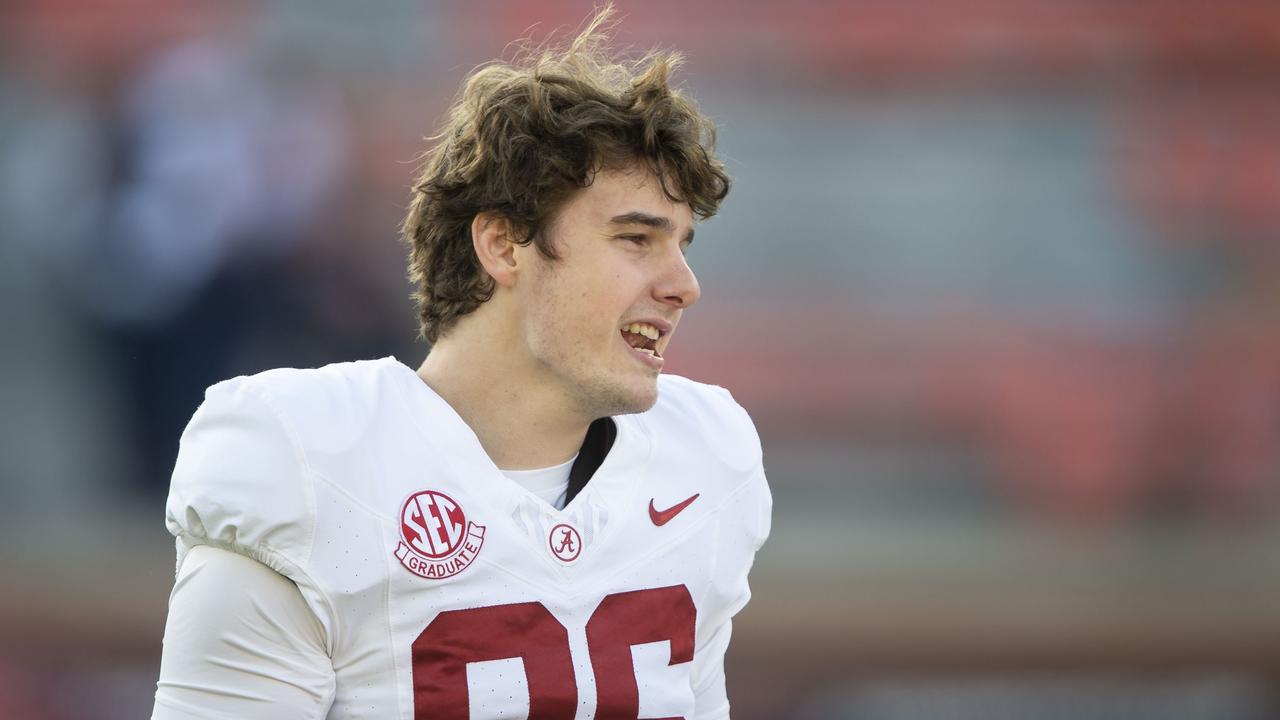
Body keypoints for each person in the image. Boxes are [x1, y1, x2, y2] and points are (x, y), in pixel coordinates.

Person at [152, 7, 771, 719]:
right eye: (636, 239)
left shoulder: (703, 460)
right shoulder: (308, 466)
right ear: (504, 246)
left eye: (683, 245)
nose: (683, 285)